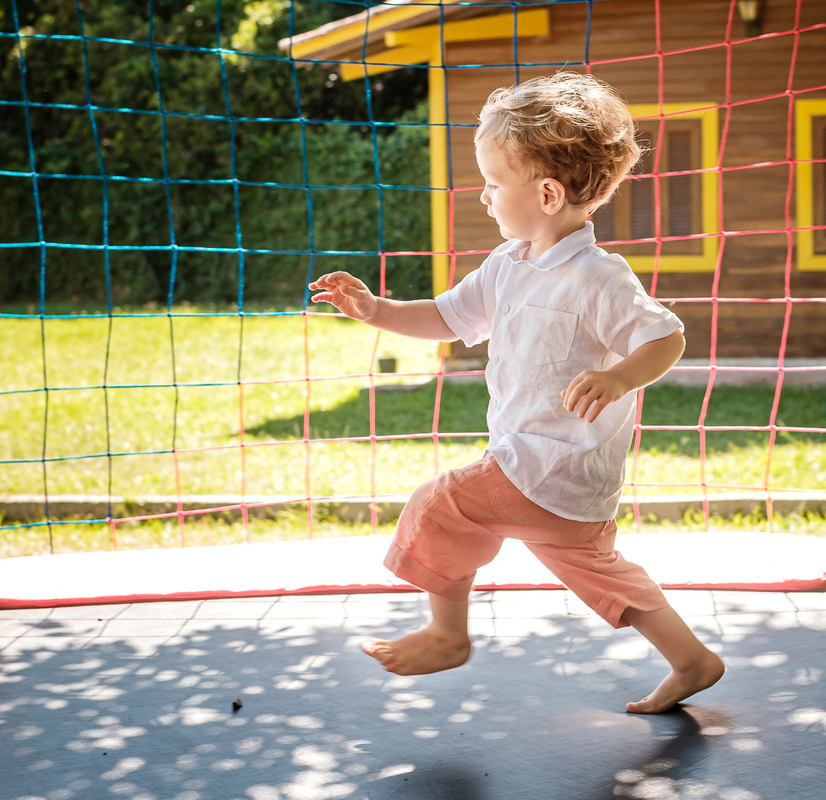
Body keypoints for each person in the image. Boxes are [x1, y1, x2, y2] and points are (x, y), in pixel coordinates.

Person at [308, 71, 723, 714]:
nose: (484, 197)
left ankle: (448, 636)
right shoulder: (508, 266)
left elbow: (665, 339)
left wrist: (618, 377)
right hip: (563, 484)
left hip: (547, 465)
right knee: (598, 572)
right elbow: (446, 317)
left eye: (494, 184)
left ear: (549, 193)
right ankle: (692, 659)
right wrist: (377, 310)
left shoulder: (597, 277)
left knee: (441, 505)